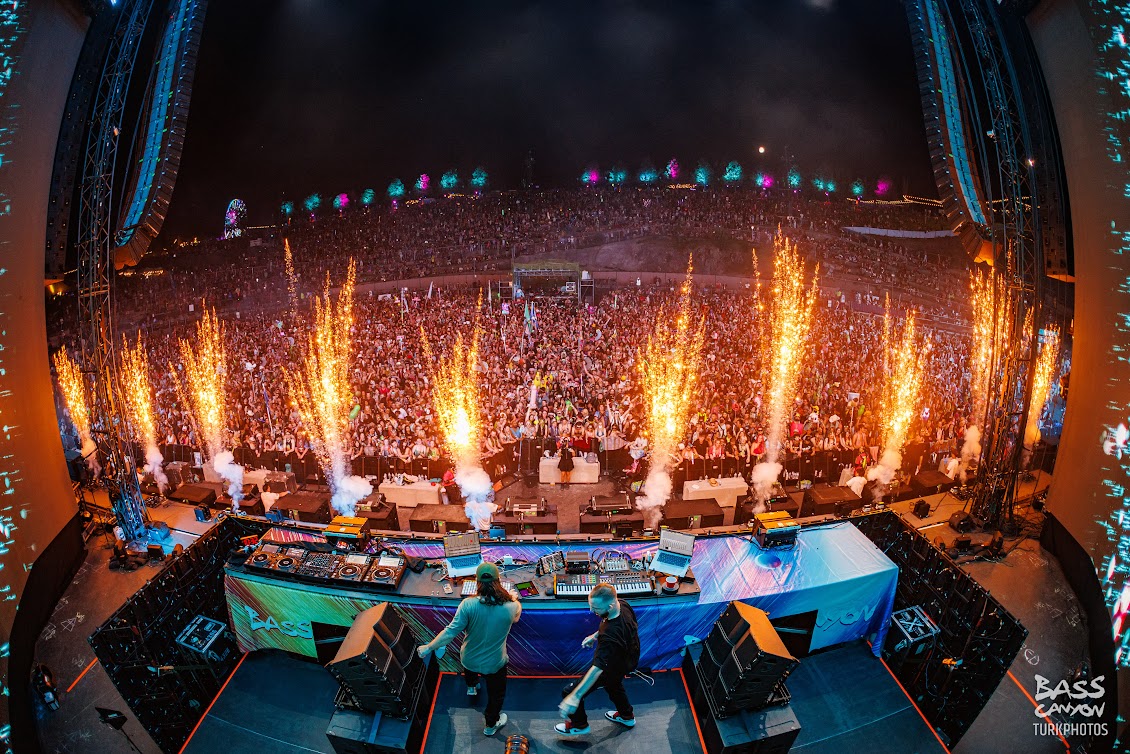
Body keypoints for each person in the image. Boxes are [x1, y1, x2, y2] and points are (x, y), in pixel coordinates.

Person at [418, 562, 521, 737]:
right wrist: (514, 598)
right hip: (494, 663)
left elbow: (450, 632)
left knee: (470, 667)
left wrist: (428, 647)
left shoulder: (467, 605)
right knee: (496, 695)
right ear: (498, 581)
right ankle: (491, 724)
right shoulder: (511, 607)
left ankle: (472, 687)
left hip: (469, 659)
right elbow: (517, 617)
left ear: (477, 582)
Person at [556, 583, 640, 736]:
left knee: (569, 690)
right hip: (628, 658)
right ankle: (627, 716)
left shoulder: (609, 636)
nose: (591, 611)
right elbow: (614, 625)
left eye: (596, 609)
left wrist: (574, 697)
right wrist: (595, 636)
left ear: (610, 605)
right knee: (614, 686)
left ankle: (579, 725)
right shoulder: (622, 605)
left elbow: (597, 668)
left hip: (611, 666)